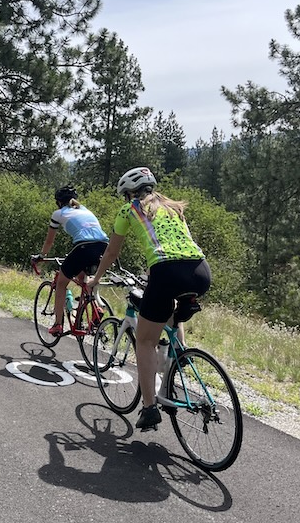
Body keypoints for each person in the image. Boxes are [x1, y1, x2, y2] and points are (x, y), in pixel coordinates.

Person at [87, 167, 211, 430]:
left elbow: (111, 252)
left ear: (129, 193)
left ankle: (149, 407)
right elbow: (178, 245)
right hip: (200, 272)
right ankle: (180, 352)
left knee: (145, 340)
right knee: (170, 310)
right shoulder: (174, 207)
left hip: (166, 272)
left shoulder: (129, 210)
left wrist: (95, 279)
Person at [39, 185, 109, 336]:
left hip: (84, 246)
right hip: (103, 246)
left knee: (61, 283)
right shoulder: (84, 209)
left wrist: (41, 256)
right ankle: (95, 308)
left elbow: (49, 241)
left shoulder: (58, 213)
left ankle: (58, 325)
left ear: (58, 202)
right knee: (83, 279)